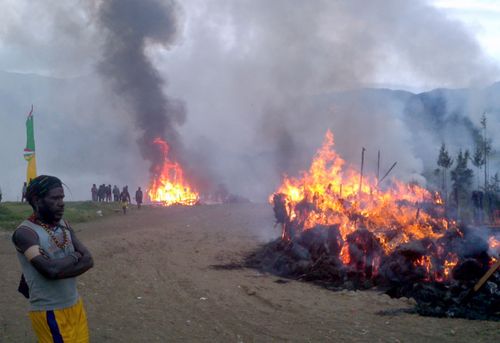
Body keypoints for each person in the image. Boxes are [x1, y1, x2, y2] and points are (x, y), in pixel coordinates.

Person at [11, 175, 93, 342]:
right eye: (55, 198)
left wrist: (62, 265)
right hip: (49, 312)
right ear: (37, 200)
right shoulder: (26, 233)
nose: (61, 203)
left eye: (62, 197)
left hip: (75, 305)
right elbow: (50, 270)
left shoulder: (64, 225)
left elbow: (89, 260)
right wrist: (76, 256)